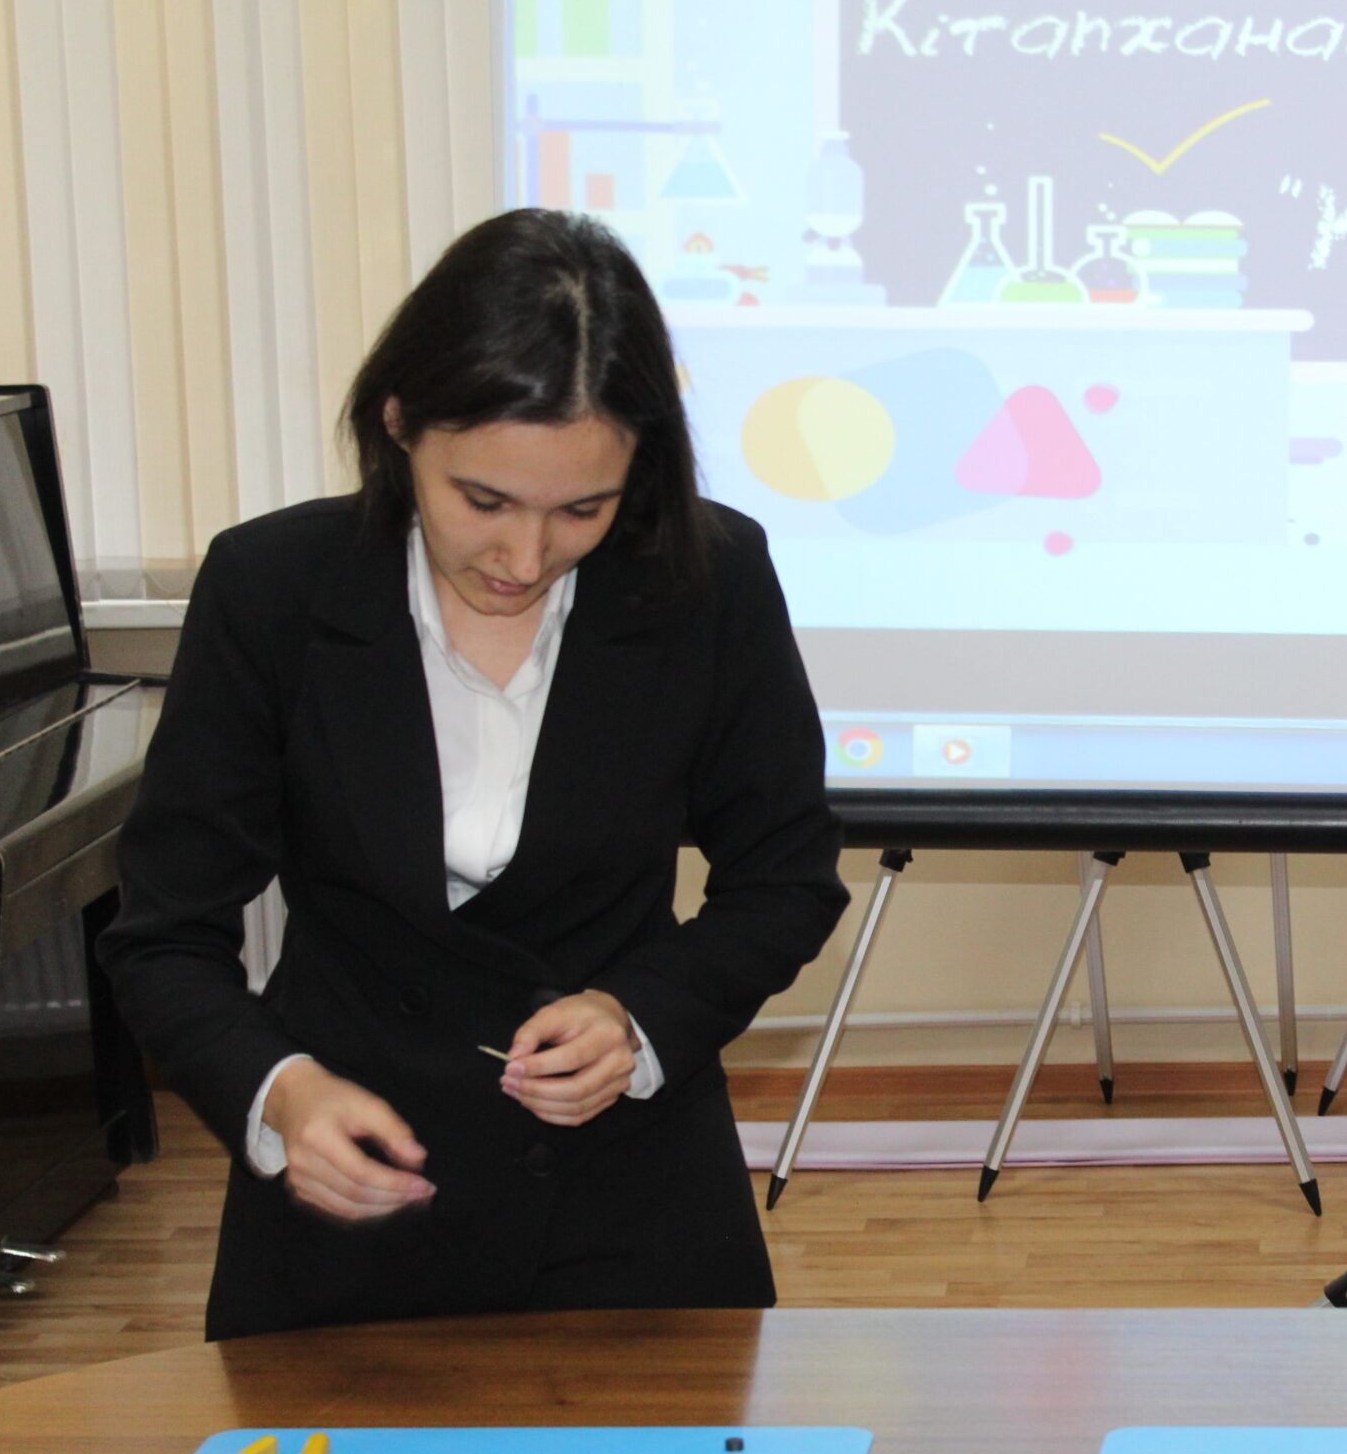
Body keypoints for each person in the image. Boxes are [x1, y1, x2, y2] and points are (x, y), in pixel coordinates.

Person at [99, 209, 849, 1341]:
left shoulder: (710, 576)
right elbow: (163, 934)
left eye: (582, 510)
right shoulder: (272, 588)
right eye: (483, 501)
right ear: (399, 422)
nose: (523, 558)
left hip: (632, 1199)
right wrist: (280, 1091)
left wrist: (640, 1018)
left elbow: (785, 876)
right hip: (353, 1188)